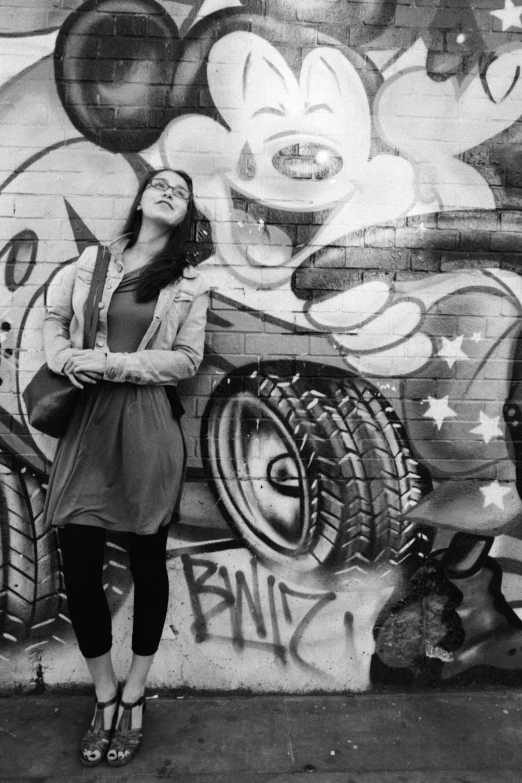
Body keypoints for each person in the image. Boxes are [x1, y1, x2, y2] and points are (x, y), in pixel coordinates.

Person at [42, 168, 209, 767]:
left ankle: (136, 692)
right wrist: (63, 358)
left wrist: (112, 364)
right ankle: (104, 693)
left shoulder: (189, 284)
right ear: (141, 200)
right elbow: (53, 318)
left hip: (146, 431)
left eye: (181, 191)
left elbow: (186, 358)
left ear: (185, 213)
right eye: (160, 184)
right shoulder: (92, 263)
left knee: (146, 562)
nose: (168, 191)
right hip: (87, 430)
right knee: (80, 567)